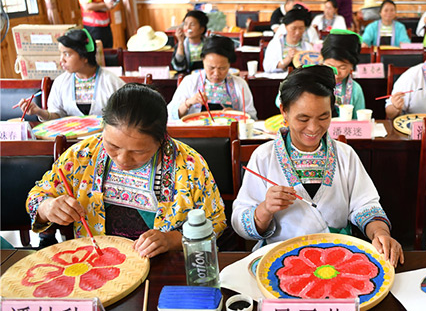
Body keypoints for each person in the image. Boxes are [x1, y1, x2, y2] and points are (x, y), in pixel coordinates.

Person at [26, 83, 227, 258]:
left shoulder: (190, 164)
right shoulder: (82, 155)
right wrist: (47, 207)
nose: (122, 159)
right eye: (112, 146)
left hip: (164, 266)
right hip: (96, 264)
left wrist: (172, 240)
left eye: (138, 151)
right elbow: (37, 196)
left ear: (161, 140)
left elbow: (216, 222)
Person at [231, 66, 404, 266]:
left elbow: (365, 205)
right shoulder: (264, 156)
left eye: (323, 117)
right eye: (303, 119)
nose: (313, 128)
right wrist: (264, 210)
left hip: (337, 257)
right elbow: (239, 221)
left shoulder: (345, 154)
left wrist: (380, 233)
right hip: (280, 259)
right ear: (284, 112)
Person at [19, 29, 124, 121]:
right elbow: (57, 118)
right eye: (61, 54)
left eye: (67, 54)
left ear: (84, 57)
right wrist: (38, 112)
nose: (62, 60)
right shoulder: (60, 83)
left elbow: (124, 118)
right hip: (70, 142)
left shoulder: (112, 83)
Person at [167, 35, 257, 120]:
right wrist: (188, 103)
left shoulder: (240, 84)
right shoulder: (190, 82)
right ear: (203, 60)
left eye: (222, 68)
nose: (216, 73)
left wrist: (237, 115)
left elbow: (252, 117)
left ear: (230, 64)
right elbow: (170, 115)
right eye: (211, 68)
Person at [263, 5, 314, 72]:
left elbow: (313, 69)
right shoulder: (275, 44)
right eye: (293, 28)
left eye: (301, 28)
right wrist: (288, 59)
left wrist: (301, 58)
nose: (297, 32)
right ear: (286, 27)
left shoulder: (308, 46)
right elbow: (267, 67)